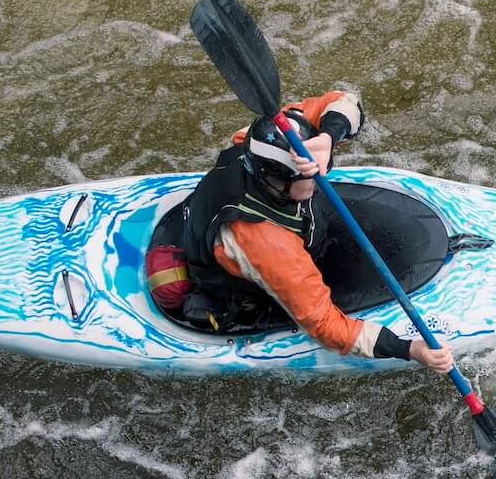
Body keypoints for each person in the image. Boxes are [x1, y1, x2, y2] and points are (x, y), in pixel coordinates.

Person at [176, 89, 454, 370]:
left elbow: (344, 99)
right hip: (245, 289)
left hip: (288, 234)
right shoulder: (266, 241)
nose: (320, 174)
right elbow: (323, 325)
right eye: (305, 178)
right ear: (275, 182)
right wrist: (409, 349)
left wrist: (328, 137)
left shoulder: (262, 136)